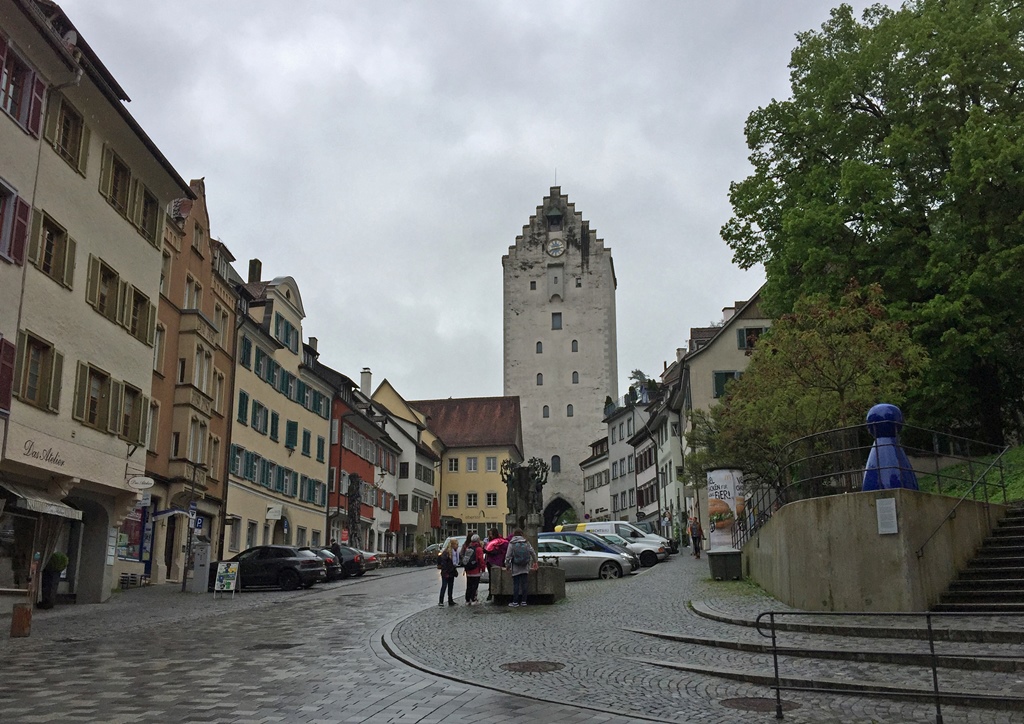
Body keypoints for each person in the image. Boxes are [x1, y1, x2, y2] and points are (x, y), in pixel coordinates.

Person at [503, 528, 537, 608]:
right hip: (525, 566)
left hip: (516, 566)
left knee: (516, 584)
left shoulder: (512, 543)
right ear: (522, 534)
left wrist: (507, 565)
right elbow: (532, 552)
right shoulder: (526, 542)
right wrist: (535, 561)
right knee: (524, 584)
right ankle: (524, 601)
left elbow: (508, 556)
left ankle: (515, 602)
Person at [482, 527, 508, 602]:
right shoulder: (491, 541)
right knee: (491, 579)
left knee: (497, 578)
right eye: (489, 534)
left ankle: (497, 594)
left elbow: (501, 552)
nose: (490, 536)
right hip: (490, 561)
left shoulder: (500, 541)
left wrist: (490, 551)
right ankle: (490, 593)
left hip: (497, 561)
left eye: (491, 534)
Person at [461, 535, 486, 605]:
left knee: (469, 585)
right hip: (476, 570)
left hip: (468, 570)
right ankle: (474, 599)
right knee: (475, 586)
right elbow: (481, 560)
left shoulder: (468, 548)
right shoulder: (479, 549)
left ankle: (467, 600)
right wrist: (483, 569)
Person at [437, 538, 459, 607]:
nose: (457, 546)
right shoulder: (446, 553)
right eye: (456, 544)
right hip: (446, 573)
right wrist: (446, 572)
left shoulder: (455, 552)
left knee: (450, 587)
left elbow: (455, 563)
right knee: (444, 586)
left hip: (451, 572)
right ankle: (441, 601)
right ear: (452, 545)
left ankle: (450, 600)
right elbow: (444, 564)